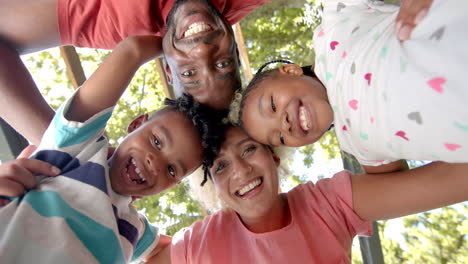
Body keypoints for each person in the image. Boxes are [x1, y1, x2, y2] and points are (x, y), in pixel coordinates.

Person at [0, 35, 223, 263]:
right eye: (156, 141)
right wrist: (184, 50)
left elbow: (171, 251)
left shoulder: (133, 229)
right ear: (136, 124)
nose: (155, 163)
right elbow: (132, 51)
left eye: (172, 170)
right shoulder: (79, 149)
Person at [144, 126, 468, 263]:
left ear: (273, 157)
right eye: (221, 166)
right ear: (212, 188)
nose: (241, 171)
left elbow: (445, 181)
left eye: (248, 149)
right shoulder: (198, 244)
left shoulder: (327, 203)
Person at [235, 0, 468, 174]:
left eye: (273, 105)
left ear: (289, 71)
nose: (283, 125)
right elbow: (402, 185)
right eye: (280, 138)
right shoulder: (358, 147)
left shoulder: (335, 27)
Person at [0, 0, 270, 145]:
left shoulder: (101, 21)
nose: (201, 52)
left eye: (189, 73)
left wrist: (61, 148)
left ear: (167, 67)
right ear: (234, 48)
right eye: (223, 64)